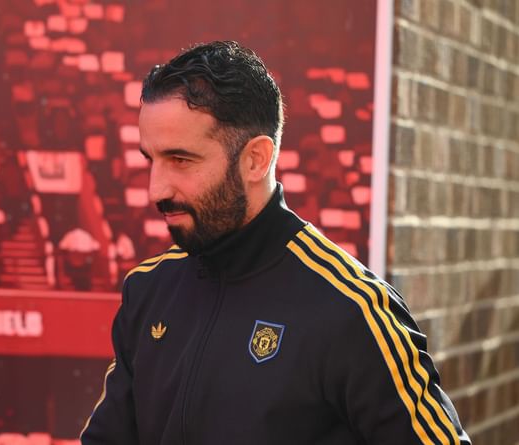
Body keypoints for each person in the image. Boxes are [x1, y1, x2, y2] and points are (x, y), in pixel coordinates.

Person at [80, 41, 470, 445]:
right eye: (151, 159)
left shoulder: (352, 309)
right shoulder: (148, 289)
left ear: (256, 159)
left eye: (180, 160)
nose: (155, 189)